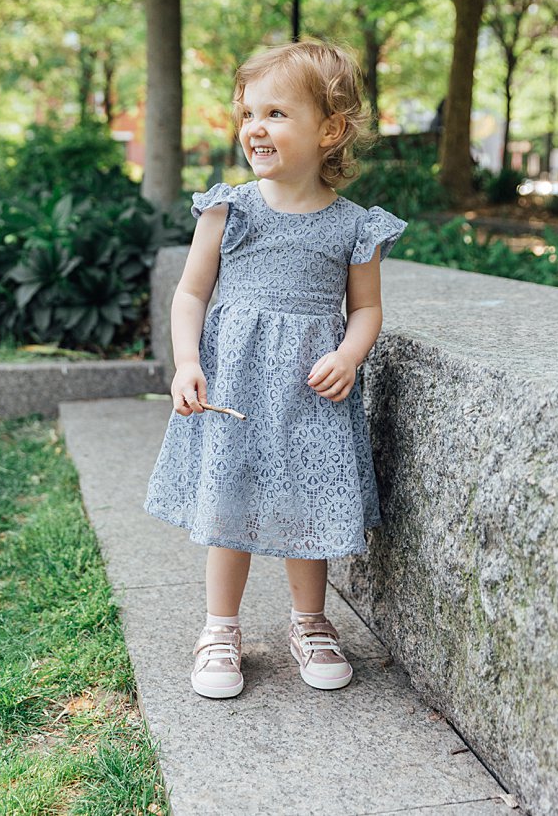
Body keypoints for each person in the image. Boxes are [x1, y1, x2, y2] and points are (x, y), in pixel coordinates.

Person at [144, 39, 406, 700]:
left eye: (277, 113)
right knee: (228, 499)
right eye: (248, 113)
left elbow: (367, 309)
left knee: (307, 504)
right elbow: (190, 294)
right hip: (233, 383)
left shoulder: (353, 226)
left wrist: (349, 354)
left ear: (330, 128)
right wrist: (184, 362)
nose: (255, 127)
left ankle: (310, 622)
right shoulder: (229, 209)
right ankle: (220, 628)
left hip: (307, 392)